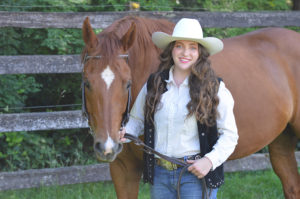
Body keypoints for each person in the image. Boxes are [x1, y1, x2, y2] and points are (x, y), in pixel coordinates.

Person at [120, 18, 238, 199]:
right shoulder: (154, 84)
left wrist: (209, 161)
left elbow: (230, 135)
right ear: (171, 49)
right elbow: (137, 121)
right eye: (179, 46)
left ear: (200, 53)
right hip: (160, 175)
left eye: (193, 47)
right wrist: (123, 133)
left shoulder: (214, 88)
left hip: (195, 175)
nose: (185, 53)